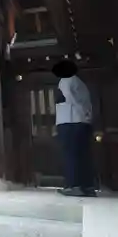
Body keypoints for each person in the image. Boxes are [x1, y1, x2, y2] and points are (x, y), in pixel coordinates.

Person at [52, 60, 96, 197]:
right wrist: (86, 115)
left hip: (69, 122)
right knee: (83, 155)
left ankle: (74, 185)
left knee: (70, 154)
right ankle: (87, 186)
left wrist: (79, 111)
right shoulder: (81, 84)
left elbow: (69, 98)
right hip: (83, 123)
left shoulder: (66, 81)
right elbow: (86, 104)